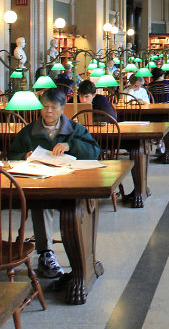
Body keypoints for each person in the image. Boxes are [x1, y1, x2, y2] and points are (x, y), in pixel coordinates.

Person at [7, 88, 100, 278]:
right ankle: (46, 253)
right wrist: (24, 155)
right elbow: (10, 155)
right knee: (40, 205)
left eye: (53, 107)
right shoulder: (29, 132)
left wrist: (70, 145)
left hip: (70, 183)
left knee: (74, 210)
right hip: (41, 182)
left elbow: (94, 151)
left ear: (62, 108)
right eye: (44, 107)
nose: (48, 111)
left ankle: (82, 253)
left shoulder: (75, 129)